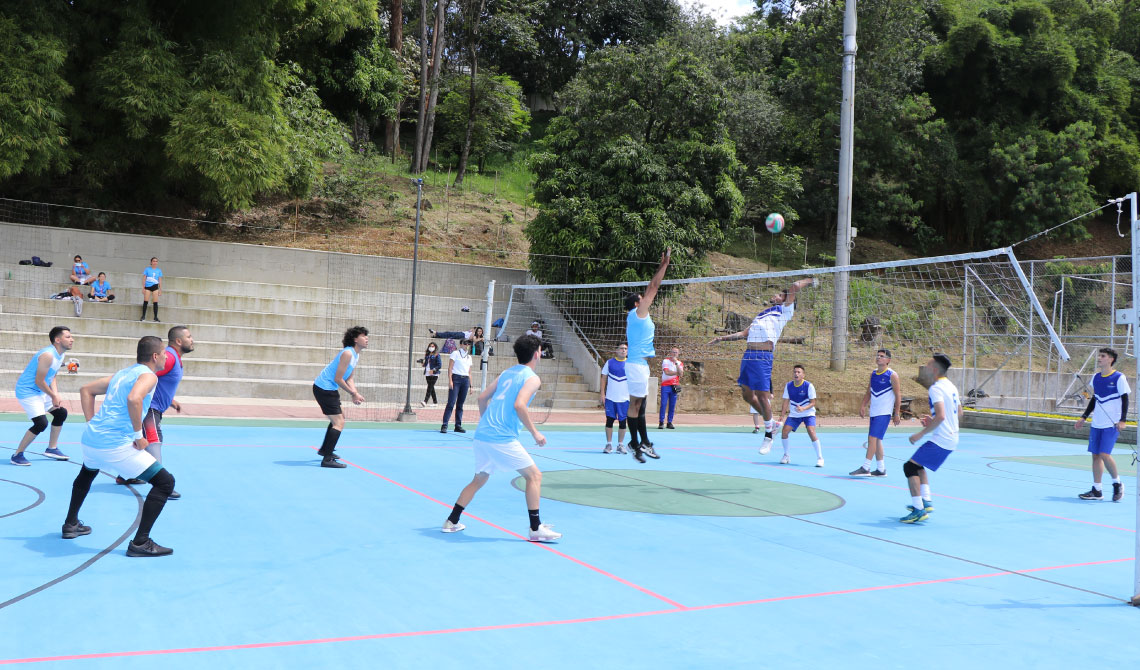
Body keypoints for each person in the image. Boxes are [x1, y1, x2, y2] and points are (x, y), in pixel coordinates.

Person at [63, 336, 177, 556]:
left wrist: (92, 423)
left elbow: (86, 389)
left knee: (87, 473)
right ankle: (141, 543)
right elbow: (135, 399)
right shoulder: (149, 376)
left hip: (91, 439)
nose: (165, 356)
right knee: (165, 483)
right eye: (164, 352)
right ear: (155, 356)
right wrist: (138, 435)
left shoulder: (122, 374)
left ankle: (70, 524)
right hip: (114, 444)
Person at [440, 334, 561, 542]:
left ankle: (451, 521)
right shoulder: (532, 378)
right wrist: (535, 433)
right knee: (534, 476)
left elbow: (481, 398)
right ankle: (535, 528)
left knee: (479, 479)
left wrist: (488, 422)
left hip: (483, 435)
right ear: (536, 354)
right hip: (500, 438)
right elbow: (519, 405)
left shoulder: (506, 373)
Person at [708, 277, 814, 455]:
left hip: (763, 355)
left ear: (787, 300)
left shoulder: (784, 312)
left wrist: (812, 279)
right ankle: (771, 422)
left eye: (780, 294)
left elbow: (795, 286)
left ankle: (768, 435)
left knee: (762, 396)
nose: (776, 295)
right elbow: (743, 333)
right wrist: (721, 338)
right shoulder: (761, 315)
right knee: (747, 395)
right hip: (748, 354)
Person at [900, 354, 962, 523]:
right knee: (918, 465)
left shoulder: (936, 388)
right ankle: (926, 501)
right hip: (951, 437)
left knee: (909, 468)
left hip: (942, 438)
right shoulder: (951, 386)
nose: (926, 368)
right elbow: (959, 412)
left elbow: (941, 416)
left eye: (928, 366)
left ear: (934, 370)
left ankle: (919, 510)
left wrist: (921, 433)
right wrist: (932, 420)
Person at [135, 326, 194, 499]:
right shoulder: (168, 358)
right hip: (149, 408)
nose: (192, 340)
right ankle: (162, 485)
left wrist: (170, 401)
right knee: (154, 441)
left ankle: (126, 475)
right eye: (189, 337)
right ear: (178, 341)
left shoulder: (173, 357)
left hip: (155, 407)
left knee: (140, 443)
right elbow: (146, 374)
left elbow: (159, 381)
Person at [624, 249, 671, 463]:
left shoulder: (637, 316)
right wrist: (665, 265)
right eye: (641, 299)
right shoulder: (637, 314)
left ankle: (643, 442)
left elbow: (649, 289)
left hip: (639, 365)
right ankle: (635, 444)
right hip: (635, 365)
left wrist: (660, 266)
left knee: (640, 406)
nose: (645, 300)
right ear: (637, 304)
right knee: (635, 405)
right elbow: (653, 287)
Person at [11, 326, 73, 465]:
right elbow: (39, 381)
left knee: (60, 413)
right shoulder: (48, 355)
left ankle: (52, 448)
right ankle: (17, 455)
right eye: (68, 337)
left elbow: (53, 376)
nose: (72, 339)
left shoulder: (61, 353)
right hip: (28, 391)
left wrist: (55, 394)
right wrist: (53, 396)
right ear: (57, 340)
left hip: (41, 390)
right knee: (41, 423)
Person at [1075, 347, 1129, 502]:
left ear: (1111, 359)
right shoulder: (1096, 377)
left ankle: (1117, 483)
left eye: (1103, 356)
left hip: (1111, 423)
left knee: (1105, 454)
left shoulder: (1119, 377)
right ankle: (1097, 490)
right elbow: (1094, 399)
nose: (1099, 358)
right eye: (1099, 356)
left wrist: (1123, 420)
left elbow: (1125, 399)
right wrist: (1084, 417)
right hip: (1097, 422)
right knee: (1096, 456)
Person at [312, 326, 369, 469]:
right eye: (363, 336)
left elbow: (349, 377)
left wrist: (355, 393)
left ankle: (325, 450)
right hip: (324, 388)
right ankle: (327, 458)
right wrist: (352, 393)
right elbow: (338, 378)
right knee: (339, 422)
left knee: (339, 418)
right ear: (355, 339)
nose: (367, 338)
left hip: (329, 388)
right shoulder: (348, 353)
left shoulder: (356, 355)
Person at [851, 349, 901, 477]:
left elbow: (898, 394)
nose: (879, 358)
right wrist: (863, 405)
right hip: (874, 411)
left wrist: (897, 413)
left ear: (888, 360)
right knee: (877, 440)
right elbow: (869, 391)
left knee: (872, 438)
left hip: (884, 413)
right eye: (878, 356)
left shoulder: (892, 375)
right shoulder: (873, 373)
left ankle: (866, 467)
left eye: (882, 356)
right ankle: (881, 469)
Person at [776, 364, 823, 467]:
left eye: (798, 372)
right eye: (795, 372)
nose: (796, 374)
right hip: (794, 414)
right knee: (784, 432)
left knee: (811, 431)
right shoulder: (788, 385)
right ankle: (786, 455)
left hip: (808, 413)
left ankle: (820, 458)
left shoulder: (809, 386)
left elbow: (813, 402)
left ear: (803, 375)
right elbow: (785, 401)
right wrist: (782, 415)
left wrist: (803, 409)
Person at [600, 344, 630, 455]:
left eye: (626, 349)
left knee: (623, 422)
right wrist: (602, 394)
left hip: (625, 398)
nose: (624, 350)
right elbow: (603, 378)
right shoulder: (609, 363)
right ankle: (609, 444)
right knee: (609, 421)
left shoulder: (631, 364)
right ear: (616, 350)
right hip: (611, 398)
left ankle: (620, 445)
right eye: (621, 348)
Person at [441, 339, 473, 433]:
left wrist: (471, 385)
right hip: (456, 378)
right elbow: (450, 368)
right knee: (451, 402)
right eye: (465, 343)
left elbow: (469, 372)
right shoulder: (455, 353)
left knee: (460, 404)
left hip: (465, 380)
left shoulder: (469, 357)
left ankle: (458, 425)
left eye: (468, 344)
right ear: (461, 344)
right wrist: (450, 380)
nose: (467, 345)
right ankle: (445, 424)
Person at [658, 347, 683, 429]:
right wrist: (677, 372)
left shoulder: (679, 363)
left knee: (672, 405)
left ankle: (670, 422)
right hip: (665, 385)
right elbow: (667, 372)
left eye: (676, 352)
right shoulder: (666, 361)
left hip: (674, 386)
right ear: (670, 353)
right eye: (673, 352)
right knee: (663, 404)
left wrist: (676, 364)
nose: (674, 354)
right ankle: (661, 422)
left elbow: (681, 374)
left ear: (678, 354)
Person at [140, 257, 163, 322]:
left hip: (155, 287)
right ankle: (143, 316)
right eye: (154, 261)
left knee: (155, 302)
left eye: (156, 261)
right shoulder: (147, 269)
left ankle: (155, 317)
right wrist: (143, 288)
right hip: (148, 287)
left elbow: (160, 280)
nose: (155, 262)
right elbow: (144, 278)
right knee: (145, 301)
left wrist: (160, 289)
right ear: (151, 262)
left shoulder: (159, 270)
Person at [419, 342, 442, 407]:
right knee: (431, 387)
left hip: (434, 374)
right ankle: (435, 402)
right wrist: (423, 364)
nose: (431, 347)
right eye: (430, 346)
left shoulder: (437, 355)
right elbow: (426, 364)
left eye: (432, 346)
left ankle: (425, 401)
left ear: (435, 347)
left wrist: (433, 370)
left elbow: (439, 365)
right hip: (427, 373)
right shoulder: (427, 355)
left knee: (429, 387)